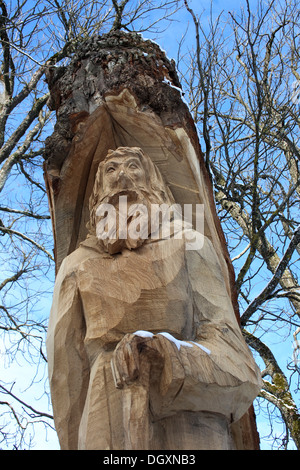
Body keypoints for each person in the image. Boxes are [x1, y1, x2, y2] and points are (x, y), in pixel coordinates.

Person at [46, 147, 261, 450]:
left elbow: (237, 360)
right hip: (105, 421)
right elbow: (64, 373)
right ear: (97, 193)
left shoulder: (190, 244)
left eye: (134, 166)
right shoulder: (76, 265)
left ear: (154, 182)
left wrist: (166, 356)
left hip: (189, 426)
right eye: (110, 170)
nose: (122, 176)